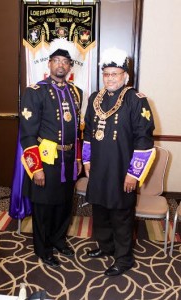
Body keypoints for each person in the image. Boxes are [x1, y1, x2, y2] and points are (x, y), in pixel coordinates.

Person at [82, 46, 155, 276]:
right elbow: (88, 133)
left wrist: (134, 173)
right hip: (99, 168)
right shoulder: (95, 98)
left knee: (121, 216)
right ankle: (105, 247)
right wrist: (86, 160)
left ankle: (123, 259)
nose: (110, 78)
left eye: (115, 74)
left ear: (125, 75)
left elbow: (144, 140)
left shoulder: (136, 100)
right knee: (100, 211)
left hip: (122, 171)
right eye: (106, 74)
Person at [19, 39, 82, 268]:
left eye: (65, 61)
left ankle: (58, 240)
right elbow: (27, 135)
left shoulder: (77, 92)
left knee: (65, 204)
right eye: (56, 61)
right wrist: (35, 168)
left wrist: (77, 159)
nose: (61, 65)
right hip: (45, 160)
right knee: (44, 207)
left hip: (68, 159)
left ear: (70, 66)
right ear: (49, 65)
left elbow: (77, 131)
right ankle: (43, 249)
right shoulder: (35, 92)